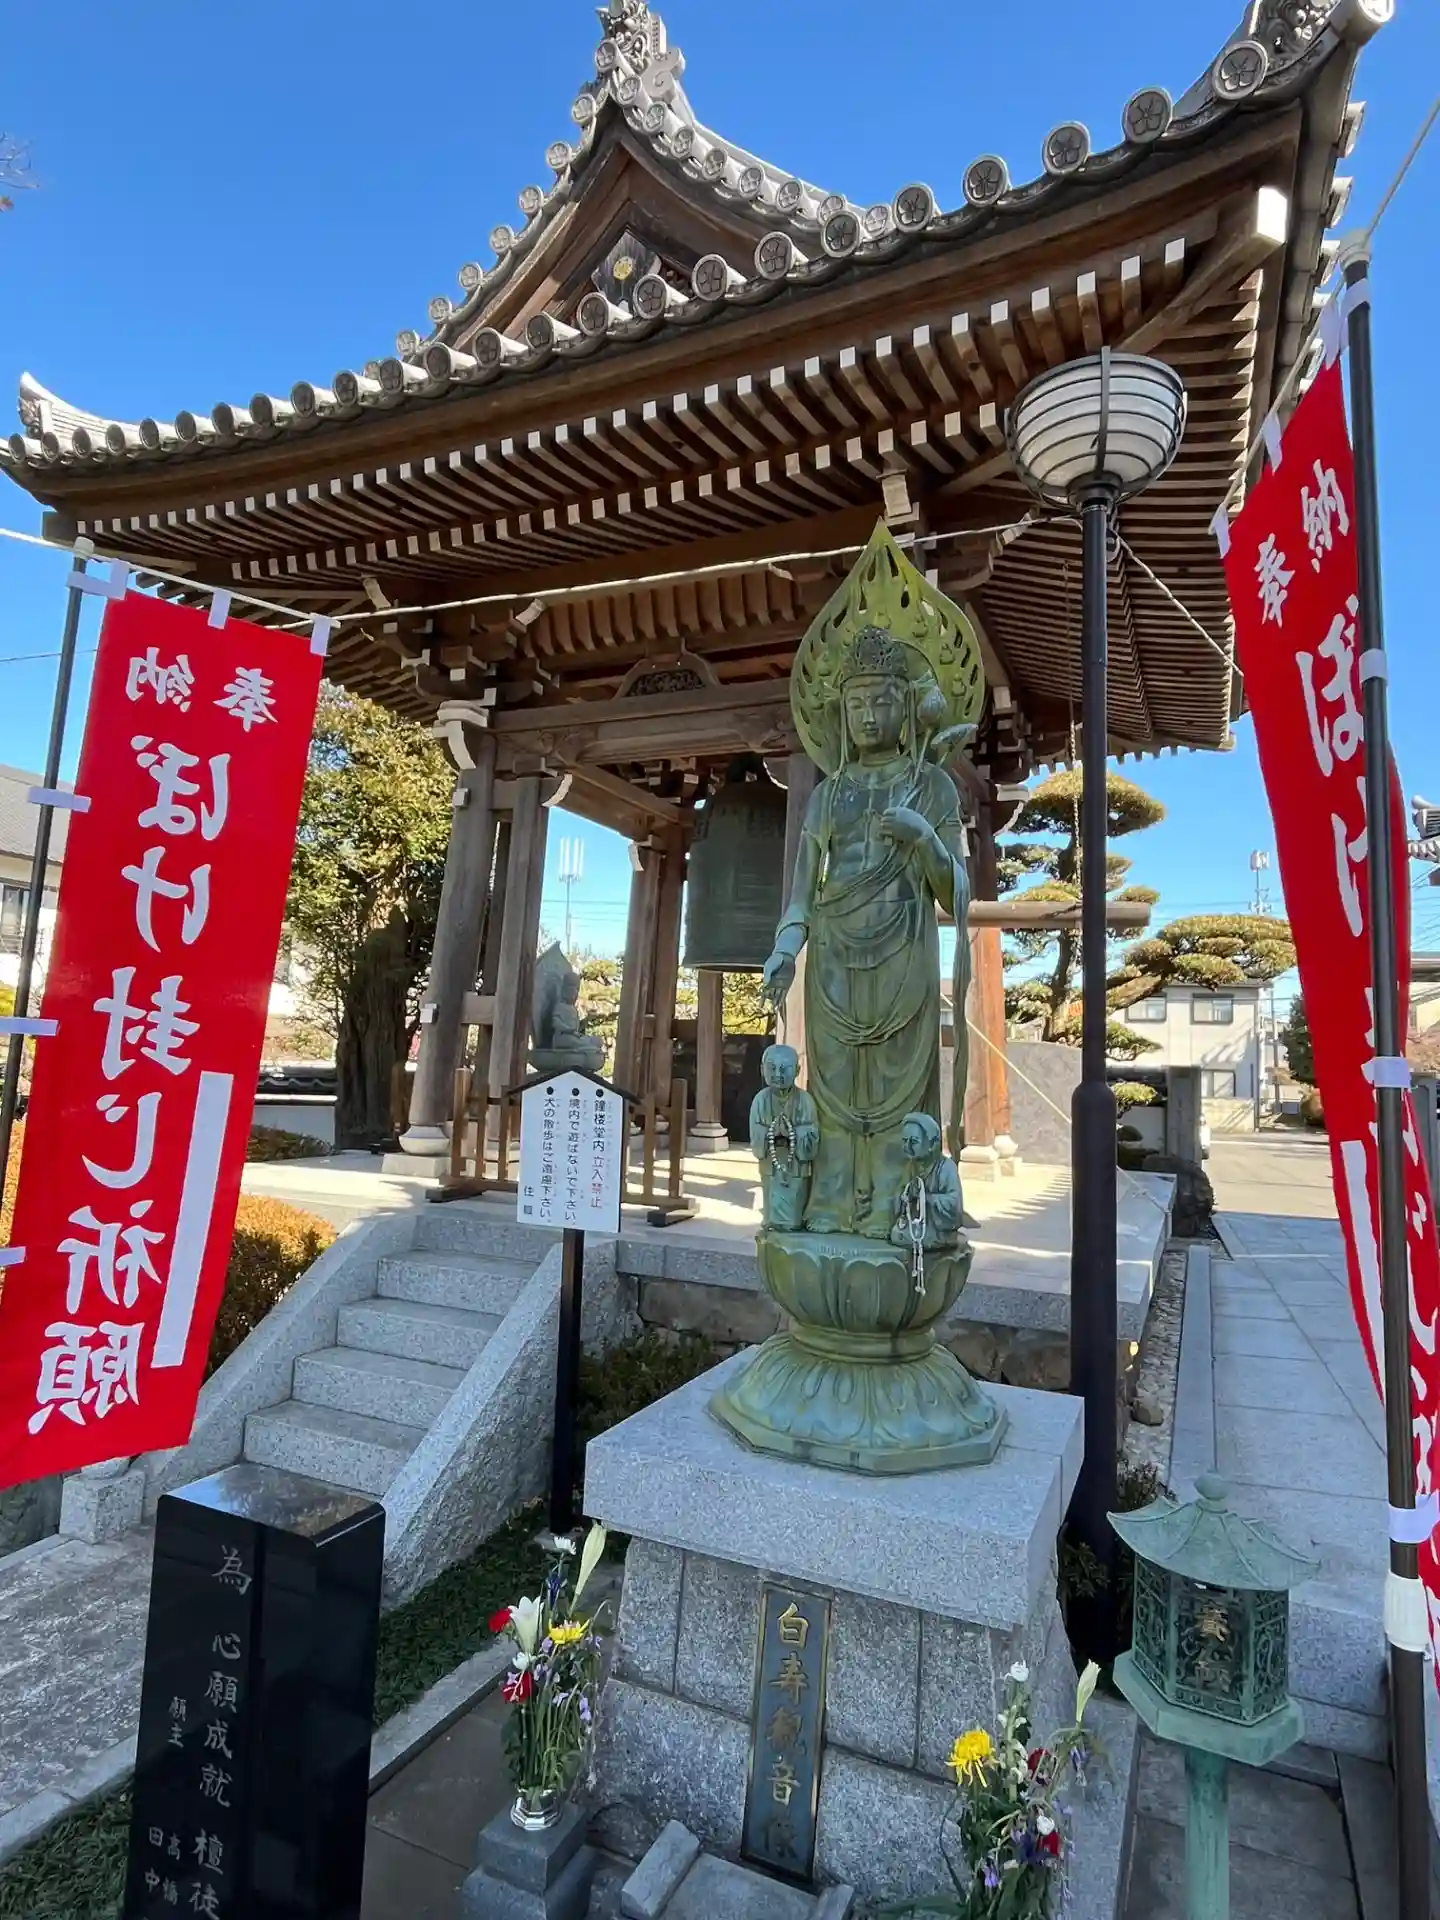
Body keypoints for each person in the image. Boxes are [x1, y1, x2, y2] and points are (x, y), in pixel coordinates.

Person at [762, 625, 969, 1237]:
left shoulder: (932, 786)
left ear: (906, 708)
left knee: (901, 1087)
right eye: (856, 705)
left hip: (904, 950)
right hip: (832, 954)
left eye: (881, 701)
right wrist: (785, 948)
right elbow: (803, 891)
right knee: (832, 1089)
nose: (869, 716)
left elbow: (956, 892)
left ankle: (896, 1204)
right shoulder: (828, 795)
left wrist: (924, 838)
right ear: (840, 715)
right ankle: (830, 1203)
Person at [748, 1043, 819, 1232]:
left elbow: (812, 1134)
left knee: (792, 1215)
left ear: (797, 1071)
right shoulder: (760, 1100)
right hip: (771, 1166)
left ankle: (794, 1223)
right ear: (762, 1070)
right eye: (772, 1068)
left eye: (784, 1068)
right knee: (772, 1207)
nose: (778, 1074)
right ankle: (771, 1222)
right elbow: (755, 1132)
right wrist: (770, 1133)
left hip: (795, 1167)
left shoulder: (805, 1101)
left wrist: (793, 1134)